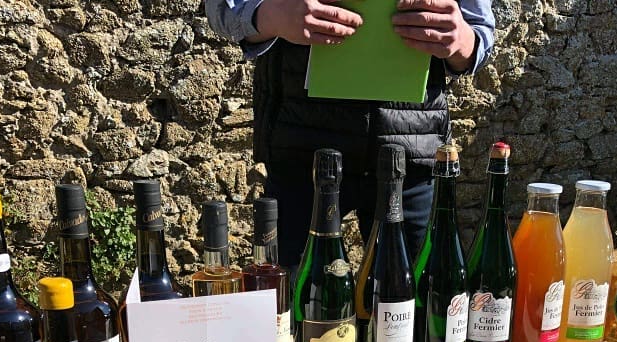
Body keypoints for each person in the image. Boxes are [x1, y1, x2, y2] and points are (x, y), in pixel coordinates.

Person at [204, 0, 495, 266]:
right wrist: (272, 16)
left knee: (415, 302)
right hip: (302, 155)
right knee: (290, 301)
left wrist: (461, 40)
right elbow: (223, 8)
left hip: (409, 160)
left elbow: (478, 34)